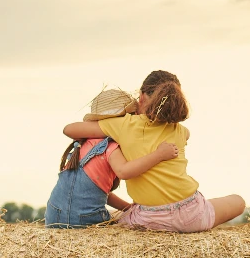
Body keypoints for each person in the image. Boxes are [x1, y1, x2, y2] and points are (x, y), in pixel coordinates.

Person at [62, 71, 245, 232]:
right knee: (238, 201)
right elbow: (187, 135)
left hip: (148, 219)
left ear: (141, 97)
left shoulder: (123, 125)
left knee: (116, 220)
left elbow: (70, 129)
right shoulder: (179, 130)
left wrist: (111, 125)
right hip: (192, 215)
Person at [46, 88, 178, 228]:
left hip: (53, 215)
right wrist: (159, 155)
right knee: (134, 224)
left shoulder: (84, 144)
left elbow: (94, 193)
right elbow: (123, 171)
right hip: (83, 219)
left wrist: (128, 208)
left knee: (120, 215)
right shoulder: (110, 146)